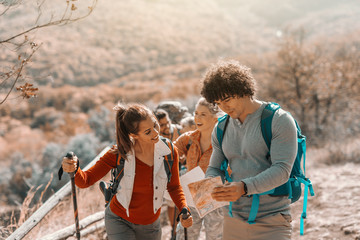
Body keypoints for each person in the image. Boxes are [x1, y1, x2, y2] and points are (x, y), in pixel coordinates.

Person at [61, 102, 192, 240]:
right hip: (120, 220)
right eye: (147, 131)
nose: (155, 133)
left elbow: (174, 186)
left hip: (151, 225)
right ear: (134, 135)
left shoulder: (169, 151)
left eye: (155, 125)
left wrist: (184, 208)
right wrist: (74, 169)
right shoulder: (119, 153)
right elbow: (85, 181)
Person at [200, 60, 297, 240]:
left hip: (273, 220)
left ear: (243, 88)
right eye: (218, 102)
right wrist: (210, 185)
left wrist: (244, 187)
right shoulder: (220, 128)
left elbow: (282, 170)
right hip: (233, 220)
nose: (224, 107)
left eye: (227, 99)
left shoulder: (279, 120)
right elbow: (215, 168)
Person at [174, 97, 224, 240]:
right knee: (184, 236)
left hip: (215, 197)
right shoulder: (188, 139)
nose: (197, 118)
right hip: (190, 195)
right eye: (196, 113)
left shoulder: (224, 142)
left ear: (215, 118)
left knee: (215, 238)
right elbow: (168, 154)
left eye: (203, 114)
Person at [154, 108, 182, 237]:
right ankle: (174, 230)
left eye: (167, 123)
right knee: (171, 203)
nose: (166, 127)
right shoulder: (155, 138)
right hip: (166, 173)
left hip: (182, 169)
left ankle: (181, 229)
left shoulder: (178, 130)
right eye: (162, 125)